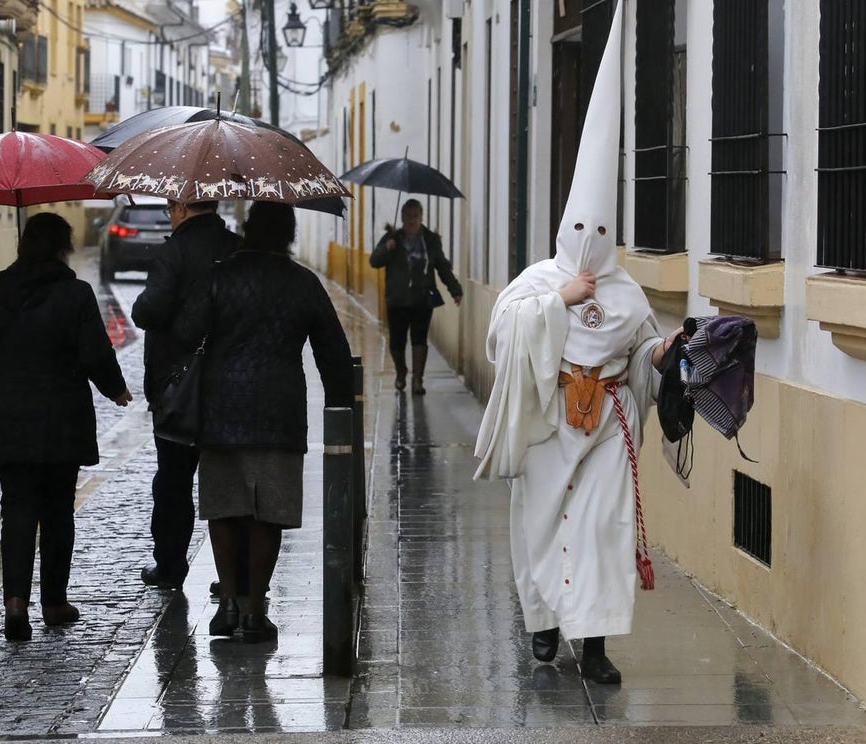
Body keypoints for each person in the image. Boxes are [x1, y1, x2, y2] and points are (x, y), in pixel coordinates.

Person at [473, 1, 683, 684]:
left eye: (602, 229)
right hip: (547, 424)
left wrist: (664, 354)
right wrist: (555, 307)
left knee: (602, 534)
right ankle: (542, 627)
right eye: (580, 226)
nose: (590, 241)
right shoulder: (538, 279)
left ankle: (593, 645)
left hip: (606, 435)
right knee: (541, 529)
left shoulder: (626, 291)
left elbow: (644, 354)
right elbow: (501, 340)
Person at [174, 201, 352, 643]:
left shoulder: (220, 277)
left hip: (221, 408)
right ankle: (256, 609)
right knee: (267, 512)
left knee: (225, 506)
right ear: (289, 235)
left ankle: (228, 604)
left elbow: (183, 333)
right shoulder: (303, 282)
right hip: (279, 411)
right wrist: (340, 408)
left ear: (249, 230)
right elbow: (333, 350)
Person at [0, 212, 132, 642]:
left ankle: (14, 605)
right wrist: (116, 390)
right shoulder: (75, 293)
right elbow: (95, 352)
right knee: (58, 511)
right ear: (62, 248)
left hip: (9, 416)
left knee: (17, 509)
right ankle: (54, 603)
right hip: (61, 418)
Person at [131, 199, 240, 593]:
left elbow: (150, 310)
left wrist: (142, 305)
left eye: (169, 207)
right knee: (229, 481)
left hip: (177, 387)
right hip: (230, 384)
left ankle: (171, 564)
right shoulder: (237, 248)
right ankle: (231, 573)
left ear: (180, 208)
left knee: (174, 481)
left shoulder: (172, 252)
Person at [369, 198, 463, 394]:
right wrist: (387, 248)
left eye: (415, 216)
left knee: (419, 339)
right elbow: (374, 261)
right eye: (407, 216)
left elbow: (442, 266)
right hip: (397, 299)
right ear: (402, 217)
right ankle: (401, 372)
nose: (411, 220)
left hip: (422, 298)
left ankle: (417, 380)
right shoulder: (391, 238)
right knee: (397, 341)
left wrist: (455, 289)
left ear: (421, 218)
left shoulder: (430, 240)